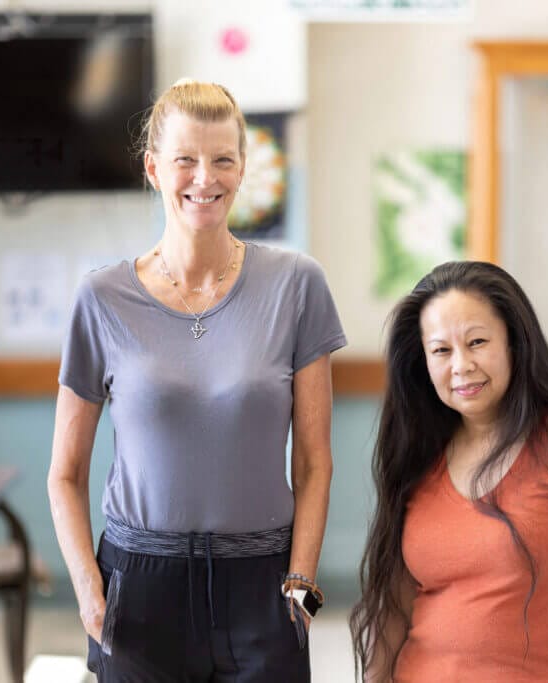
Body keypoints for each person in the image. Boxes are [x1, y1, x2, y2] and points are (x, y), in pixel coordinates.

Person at [48, 79, 346, 682]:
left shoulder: (297, 285)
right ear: (153, 168)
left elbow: (314, 462)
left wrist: (302, 587)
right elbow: (65, 473)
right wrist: (87, 590)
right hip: (139, 586)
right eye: (185, 159)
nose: (204, 178)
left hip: (264, 584)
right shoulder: (101, 298)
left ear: (242, 169)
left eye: (222, 160)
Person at [350, 261, 548, 683]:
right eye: (441, 350)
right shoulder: (419, 454)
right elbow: (396, 606)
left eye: (477, 342)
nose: (461, 365)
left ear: (515, 342)